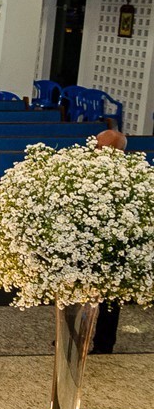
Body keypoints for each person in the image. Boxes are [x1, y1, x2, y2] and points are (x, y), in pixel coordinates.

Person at [93, 130, 129, 354]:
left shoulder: (129, 175)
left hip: (114, 244)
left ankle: (104, 343)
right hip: (84, 241)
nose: (97, 151)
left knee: (110, 298)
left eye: (102, 148)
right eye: (96, 146)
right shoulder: (82, 169)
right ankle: (73, 335)